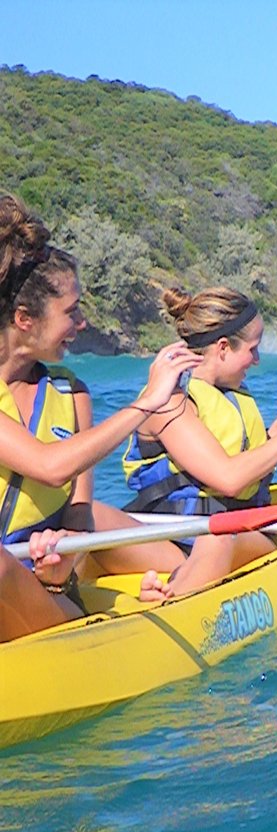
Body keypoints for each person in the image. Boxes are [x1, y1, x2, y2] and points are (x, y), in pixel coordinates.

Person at [0, 192, 201, 642]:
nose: (83, 323)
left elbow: (78, 515)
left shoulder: (72, 395)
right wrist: (144, 404)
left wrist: (58, 568)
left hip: (48, 597)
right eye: (71, 312)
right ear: (24, 318)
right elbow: (50, 467)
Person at [122, 285, 277, 598]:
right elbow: (229, 479)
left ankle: (172, 594)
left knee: (217, 535)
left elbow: (240, 469)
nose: (256, 360)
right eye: (252, 349)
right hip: (173, 537)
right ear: (222, 349)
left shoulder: (228, 393)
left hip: (227, 536)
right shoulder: (169, 400)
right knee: (87, 515)